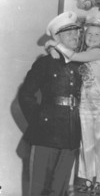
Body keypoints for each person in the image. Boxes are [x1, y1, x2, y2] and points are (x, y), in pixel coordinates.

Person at [45, 11, 100, 195]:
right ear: (84, 34)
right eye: (89, 34)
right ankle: (87, 179)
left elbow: (72, 57)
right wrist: (52, 48)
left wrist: (55, 44)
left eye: (97, 35)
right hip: (84, 100)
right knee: (87, 141)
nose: (92, 37)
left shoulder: (99, 51)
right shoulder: (83, 51)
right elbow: (67, 57)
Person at [18, 11, 83, 196]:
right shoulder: (45, 63)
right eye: (69, 33)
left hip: (71, 135)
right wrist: (39, 122)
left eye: (76, 32)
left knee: (59, 190)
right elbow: (25, 95)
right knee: (38, 190)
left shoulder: (81, 65)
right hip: (44, 136)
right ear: (57, 37)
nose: (75, 36)